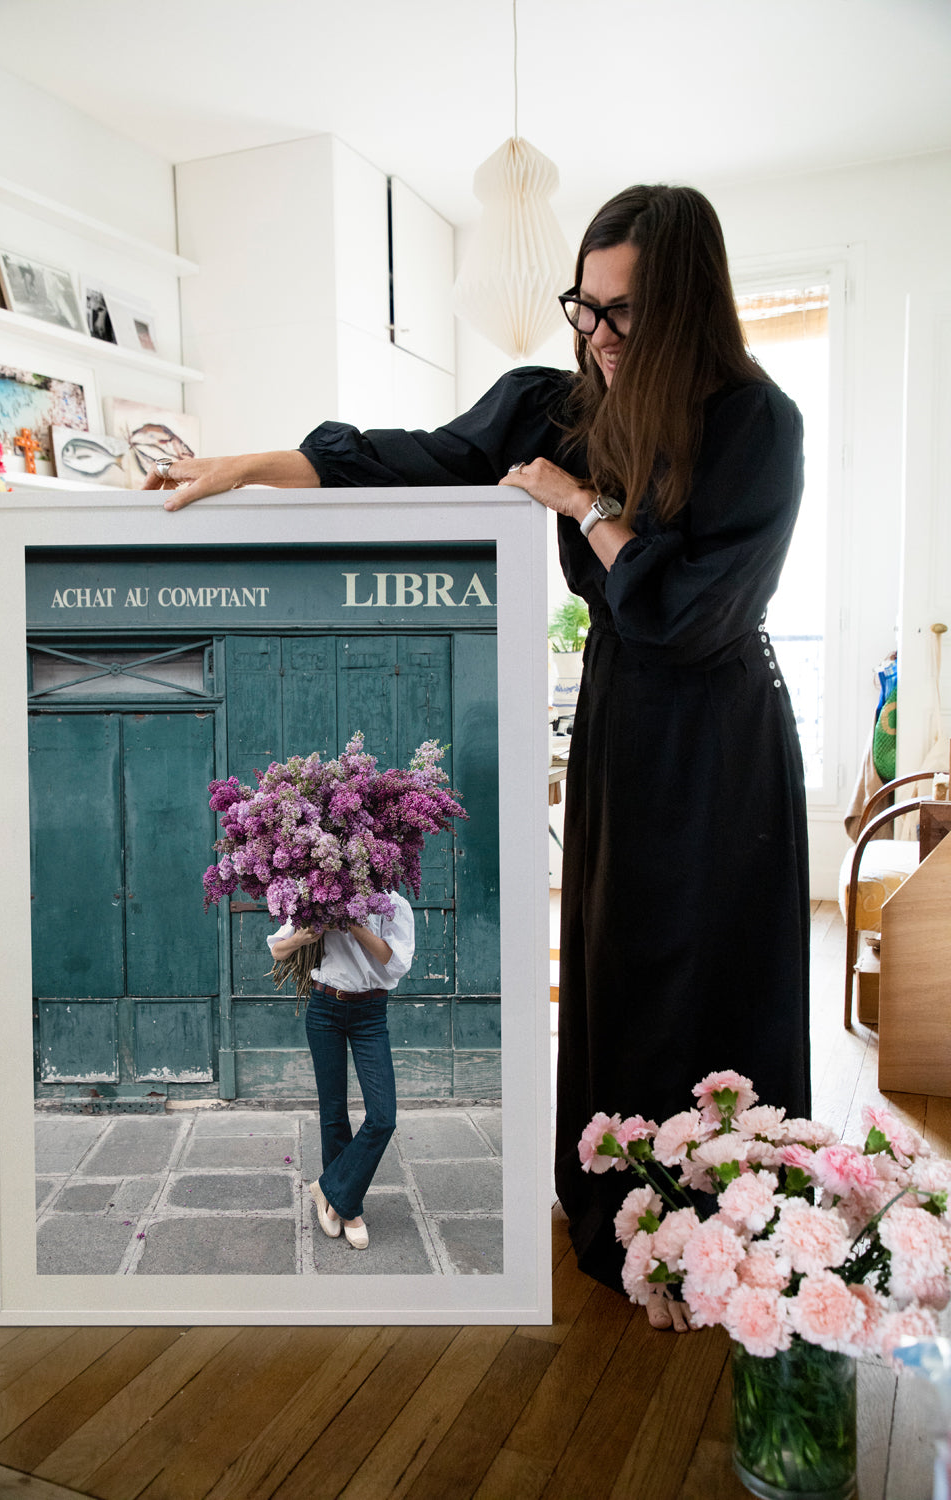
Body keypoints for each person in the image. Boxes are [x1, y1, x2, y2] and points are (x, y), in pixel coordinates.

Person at [146, 183, 811, 1318]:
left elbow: (686, 612)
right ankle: (623, 1209)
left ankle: (733, 1218)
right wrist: (250, 465)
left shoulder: (758, 422)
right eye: (583, 306)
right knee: (619, 958)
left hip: (721, 740)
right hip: (620, 721)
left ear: (689, 306)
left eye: (624, 313)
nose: (595, 336)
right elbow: (412, 458)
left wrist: (579, 502)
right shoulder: (558, 400)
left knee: (714, 962)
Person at [267, 893, 415, 1249]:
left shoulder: (394, 903)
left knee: (383, 1117)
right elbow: (278, 951)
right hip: (324, 1009)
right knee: (333, 1113)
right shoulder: (318, 895)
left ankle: (327, 1187)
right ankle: (349, 1210)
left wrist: (353, 924)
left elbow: (395, 964)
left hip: (370, 1013)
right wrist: (308, 934)